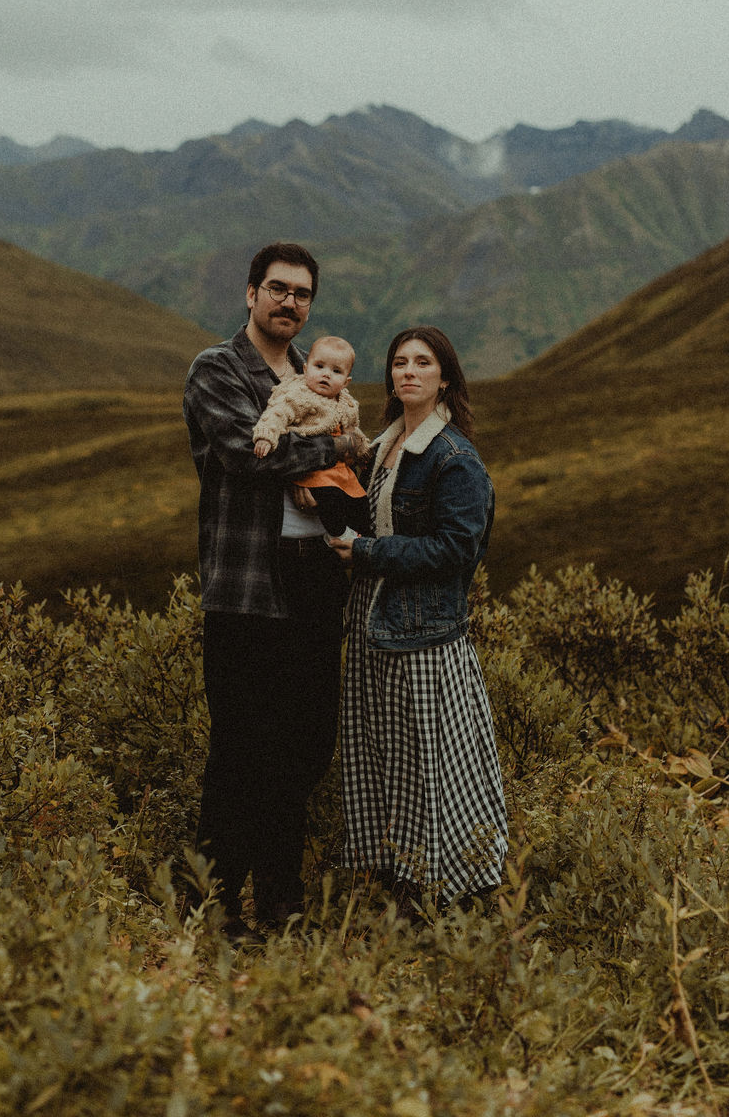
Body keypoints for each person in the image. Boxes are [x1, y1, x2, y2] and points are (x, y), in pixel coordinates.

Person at [182, 242, 360, 940]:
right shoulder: (217, 370)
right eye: (278, 289)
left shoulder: (319, 376)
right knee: (240, 750)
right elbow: (247, 458)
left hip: (314, 585)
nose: (290, 302)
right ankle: (215, 905)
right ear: (250, 293)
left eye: (302, 294)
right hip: (247, 589)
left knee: (304, 746)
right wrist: (340, 450)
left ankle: (281, 900)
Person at [328, 326, 508, 909]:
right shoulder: (384, 445)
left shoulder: (454, 458)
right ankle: (400, 879)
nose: (408, 371)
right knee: (385, 761)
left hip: (424, 638)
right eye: (399, 362)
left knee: (430, 769)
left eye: (422, 363)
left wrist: (368, 554)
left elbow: (458, 550)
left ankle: (448, 887)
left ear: (445, 378)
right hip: (377, 627)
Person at [252, 334, 372, 537]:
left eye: (336, 371)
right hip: (312, 468)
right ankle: (339, 535)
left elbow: (353, 432)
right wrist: (266, 435)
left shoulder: (346, 402)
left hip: (340, 470)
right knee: (331, 499)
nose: (326, 375)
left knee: (359, 500)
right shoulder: (298, 395)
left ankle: (363, 536)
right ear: (306, 368)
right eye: (319, 367)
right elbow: (277, 413)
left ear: (345, 381)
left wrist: (364, 453)